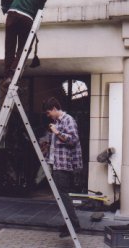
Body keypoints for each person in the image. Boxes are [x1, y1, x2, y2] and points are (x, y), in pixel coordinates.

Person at [43, 97, 83, 238]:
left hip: (64, 165)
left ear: (54, 108)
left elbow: (73, 140)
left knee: (62, 195)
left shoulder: (68, 120)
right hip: (58, 163)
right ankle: (70, 223)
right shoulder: (57, 122)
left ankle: (73, 224)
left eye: (49, 113)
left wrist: (57, 133)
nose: (48, 116)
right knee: (61, 195)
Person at [3, 0, 51, 85]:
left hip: (12, 13)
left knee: (9, 48)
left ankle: (7, 76)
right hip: (27, 17)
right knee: (24, 47)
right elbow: (39, 12)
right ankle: (13, 73)